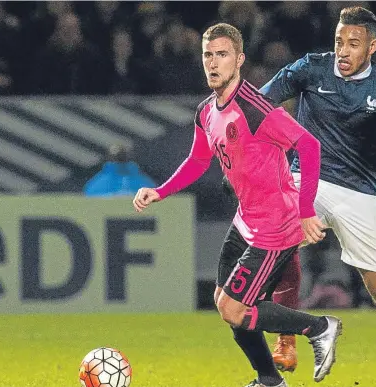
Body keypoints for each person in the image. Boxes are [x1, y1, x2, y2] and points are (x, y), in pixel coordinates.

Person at [132, 23, 342, 387]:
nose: (213, 63)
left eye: (222, 55)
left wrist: (307, 209)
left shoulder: (255, 108)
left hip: (275, 227)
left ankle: (320, 327)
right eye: (208, 55)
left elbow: (308, 147)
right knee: (224, 303)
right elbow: (198, 161)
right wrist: (161, 191)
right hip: (246, 221)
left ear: (239, 60)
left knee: (234, 307)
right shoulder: (207, 112)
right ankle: (268, 379)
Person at [259, 7, 376, 387]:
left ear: (372, 47)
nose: (343, 50)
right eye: (339, 41)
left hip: (358, 191)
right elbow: (260, 102)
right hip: (305, 176)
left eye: (353, 44)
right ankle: (286, 338)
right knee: (280, 239)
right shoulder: (311, 68)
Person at [84, 144, 156, 197]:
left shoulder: (94, 184)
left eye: (122, 157)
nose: (120, 161)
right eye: (118, 158)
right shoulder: (146, 183)